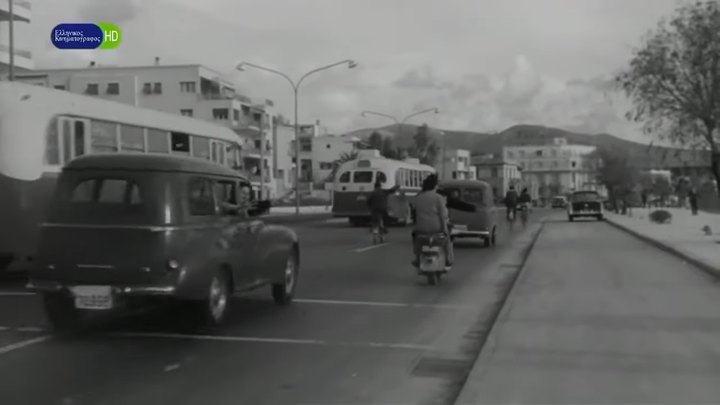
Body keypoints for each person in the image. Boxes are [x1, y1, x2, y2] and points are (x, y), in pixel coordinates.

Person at [411, 174, 453, 270]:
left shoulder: (418, 197)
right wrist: (445, 230)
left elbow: (415, 215)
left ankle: (417, 259)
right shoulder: (438, 198)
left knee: (416, 239)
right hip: (436, 230)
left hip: (421, 231)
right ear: (434, 186)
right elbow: (442, 216)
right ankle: (448, 259)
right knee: (447, 240)